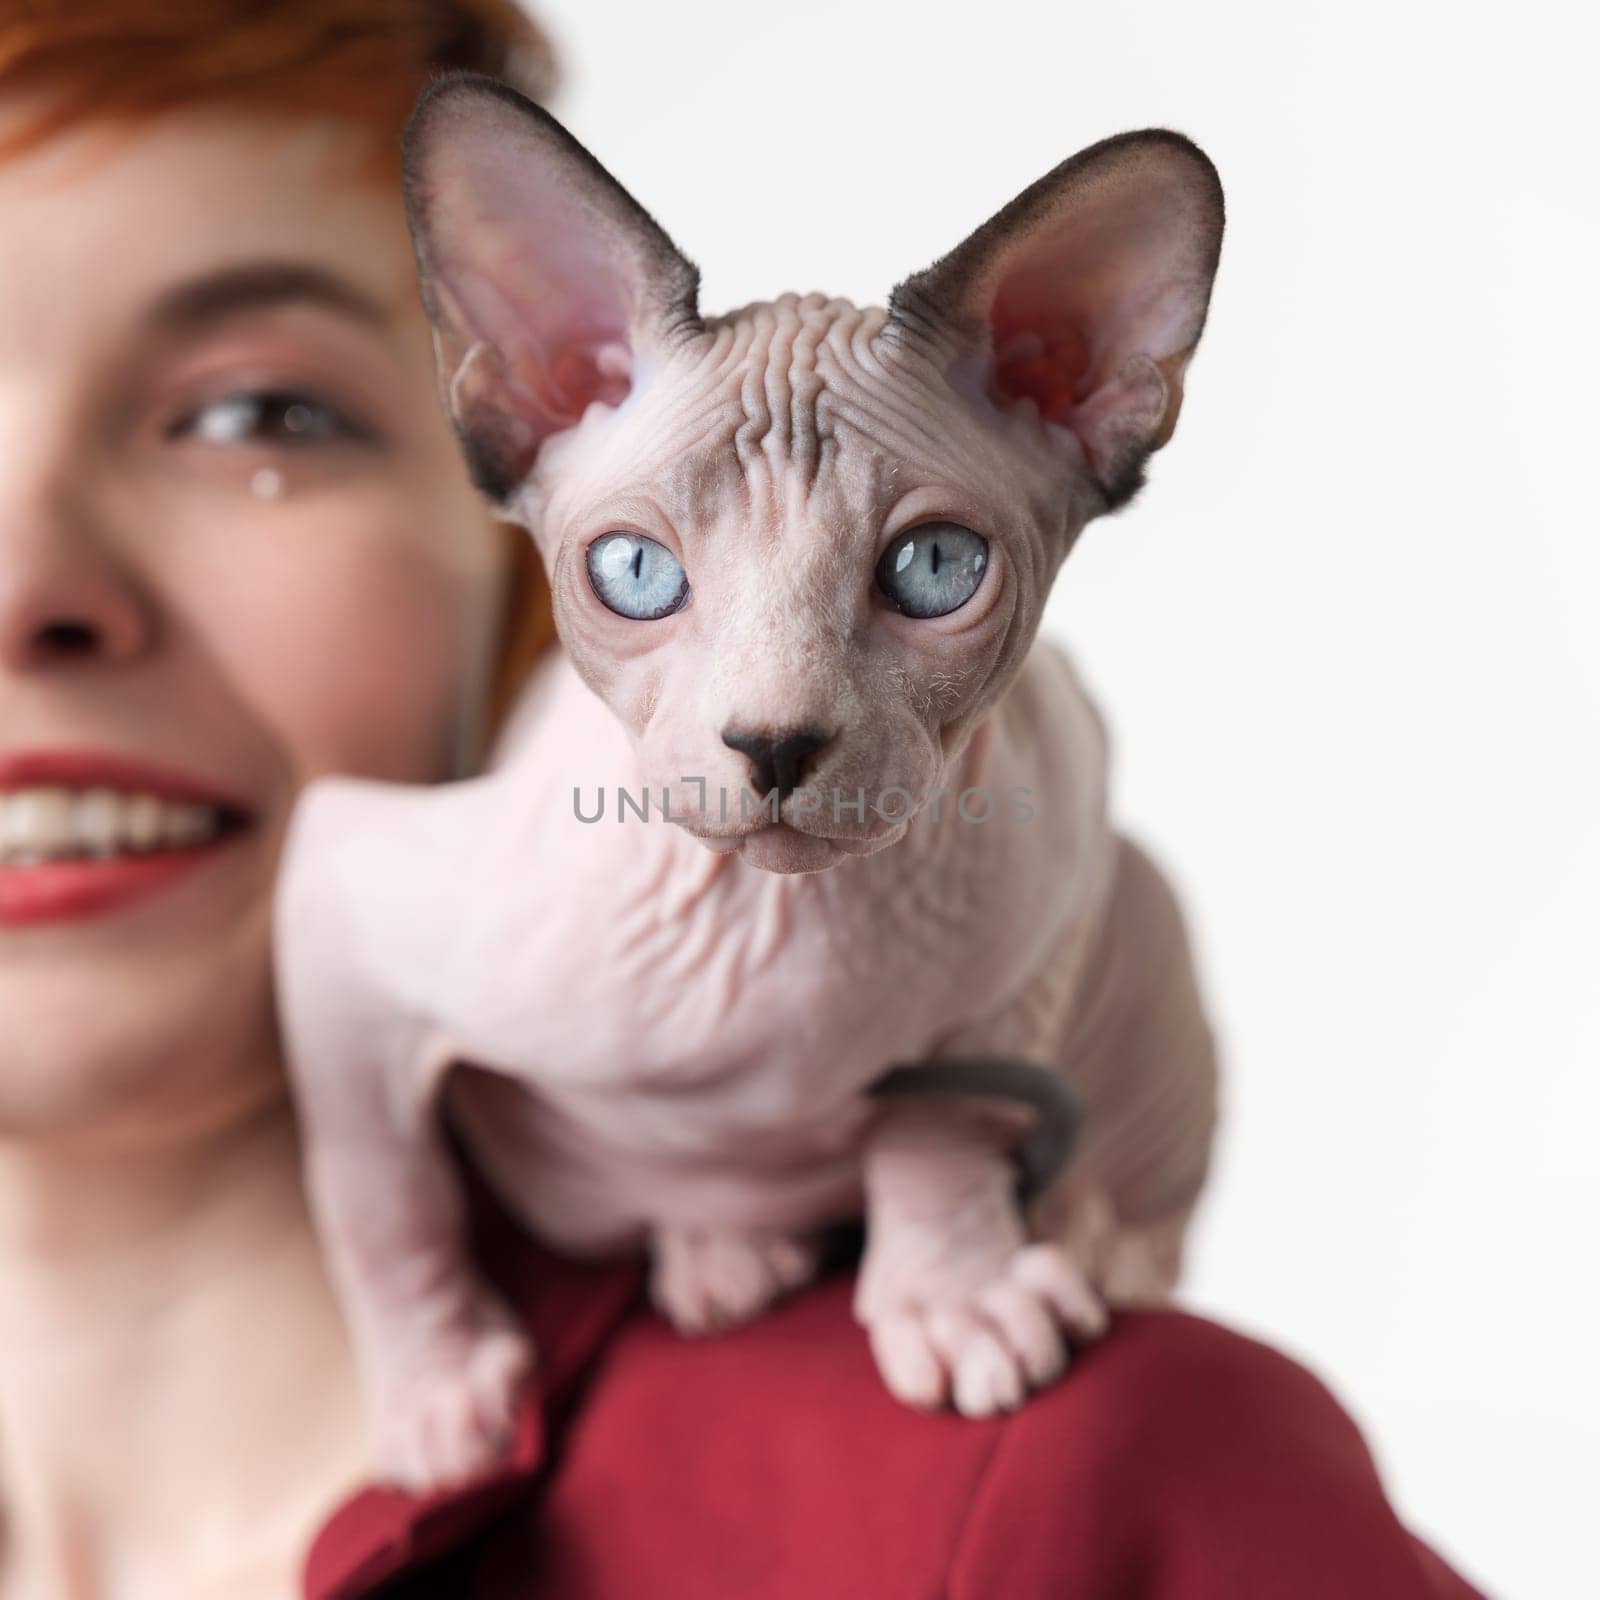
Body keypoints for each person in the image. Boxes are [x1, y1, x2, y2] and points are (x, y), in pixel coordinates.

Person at [0, 5, 1489, 1597]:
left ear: (491, 555)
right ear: (541, 405)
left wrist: (941, 1186)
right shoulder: (515, 921)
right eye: (648, 571)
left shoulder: (1074, 1502)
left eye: (261, 416)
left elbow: (1061, 823)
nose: (30, 587)